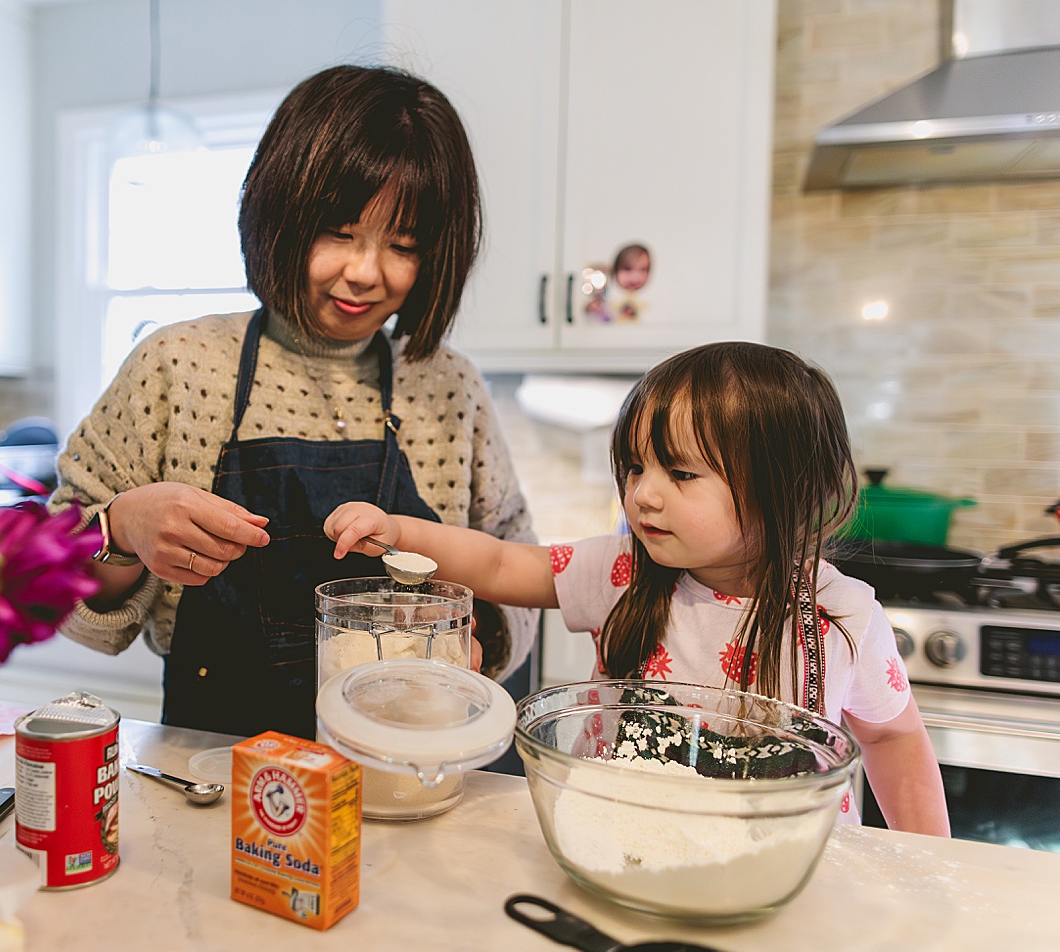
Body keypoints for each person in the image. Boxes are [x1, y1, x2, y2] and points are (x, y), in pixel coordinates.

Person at [49, 64, 538, 739]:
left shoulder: (446, 385)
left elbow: (520, 564)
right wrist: (121, 529)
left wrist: (474, 634)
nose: (366, 273)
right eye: (339, 233)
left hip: (408, 764)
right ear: (278, 213)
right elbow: (48, 580)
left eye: (403, 246)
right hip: (216, 768)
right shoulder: (178, 366)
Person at [325, 341, 950, 836]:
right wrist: (401, 529)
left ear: (785, 490)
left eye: (680, 472)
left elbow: (894, 738)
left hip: (784, 876)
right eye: (635, 466)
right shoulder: (622, 572)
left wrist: (927, 866)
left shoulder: (840, 617)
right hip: (617, 847)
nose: (643, 494)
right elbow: (497, 565)